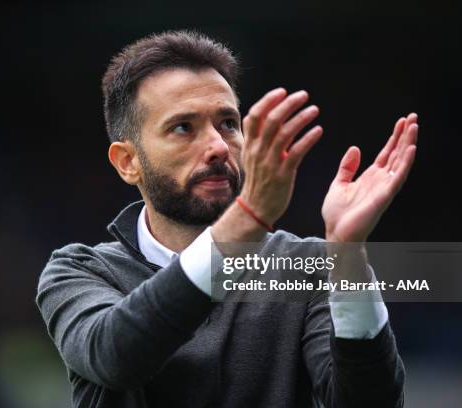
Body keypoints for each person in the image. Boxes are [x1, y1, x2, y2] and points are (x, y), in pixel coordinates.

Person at [36, 30, 416, 407]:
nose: (219, 146)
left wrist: (349, 257)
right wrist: (248, 217)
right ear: (128, 162)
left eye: (228, 123)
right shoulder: (79, 271)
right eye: (183, 127)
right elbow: (116, 356)